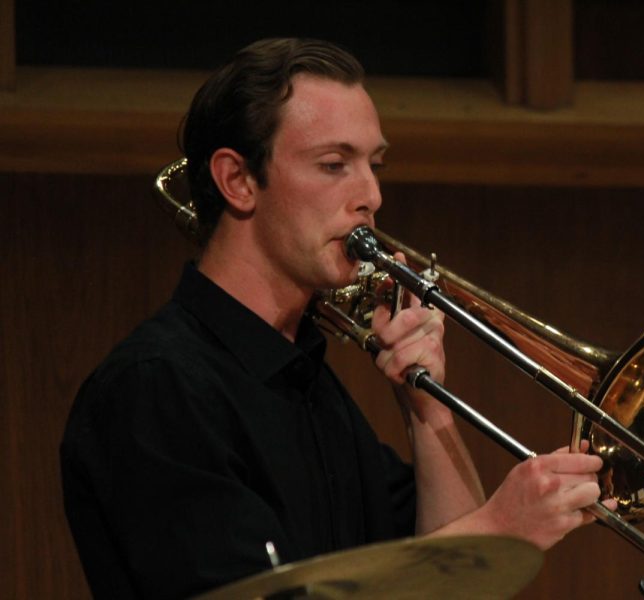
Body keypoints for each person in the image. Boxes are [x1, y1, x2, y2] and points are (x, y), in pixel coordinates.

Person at [60, 38, 608, 600]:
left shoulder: (311, 384)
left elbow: (449, 589)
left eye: (374, 166)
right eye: (333, 164)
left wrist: (426, 406)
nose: (370, 194)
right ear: (238, 181)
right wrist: (499, 527)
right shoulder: (156, 387)